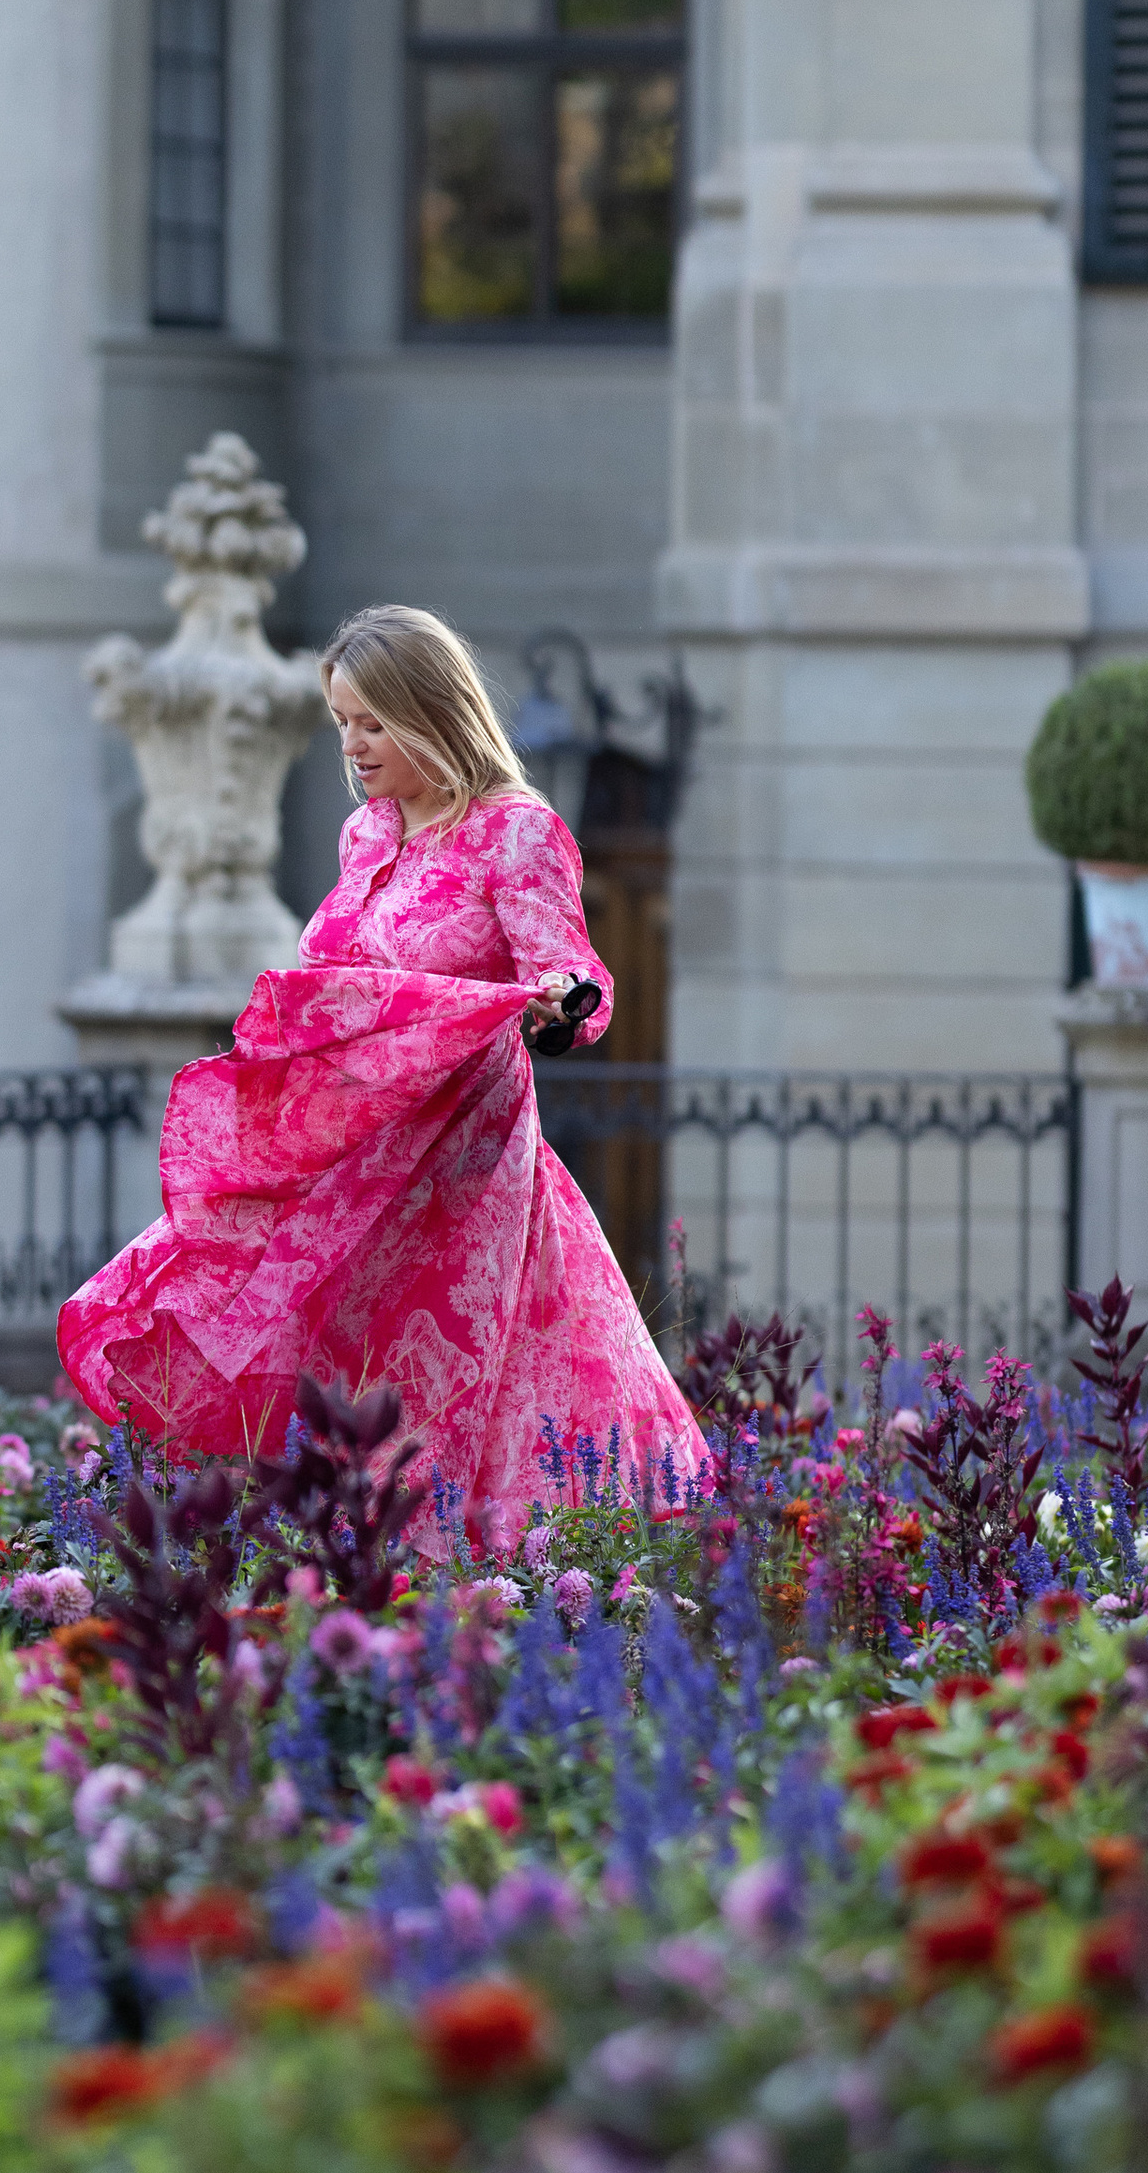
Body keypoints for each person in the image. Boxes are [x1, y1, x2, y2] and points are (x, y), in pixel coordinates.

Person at [56, 601, 703, 1544]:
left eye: (371, 723)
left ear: (431, 714)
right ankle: (316, 1578)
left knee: (447, 1394)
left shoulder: (516, 830)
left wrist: (558, 1003)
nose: (353, 746)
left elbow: (574, 977)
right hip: (349, 1151)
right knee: (260, 1326)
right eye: (342, 724)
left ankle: (472, 1594)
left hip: (461, 1170)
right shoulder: (368, 832)